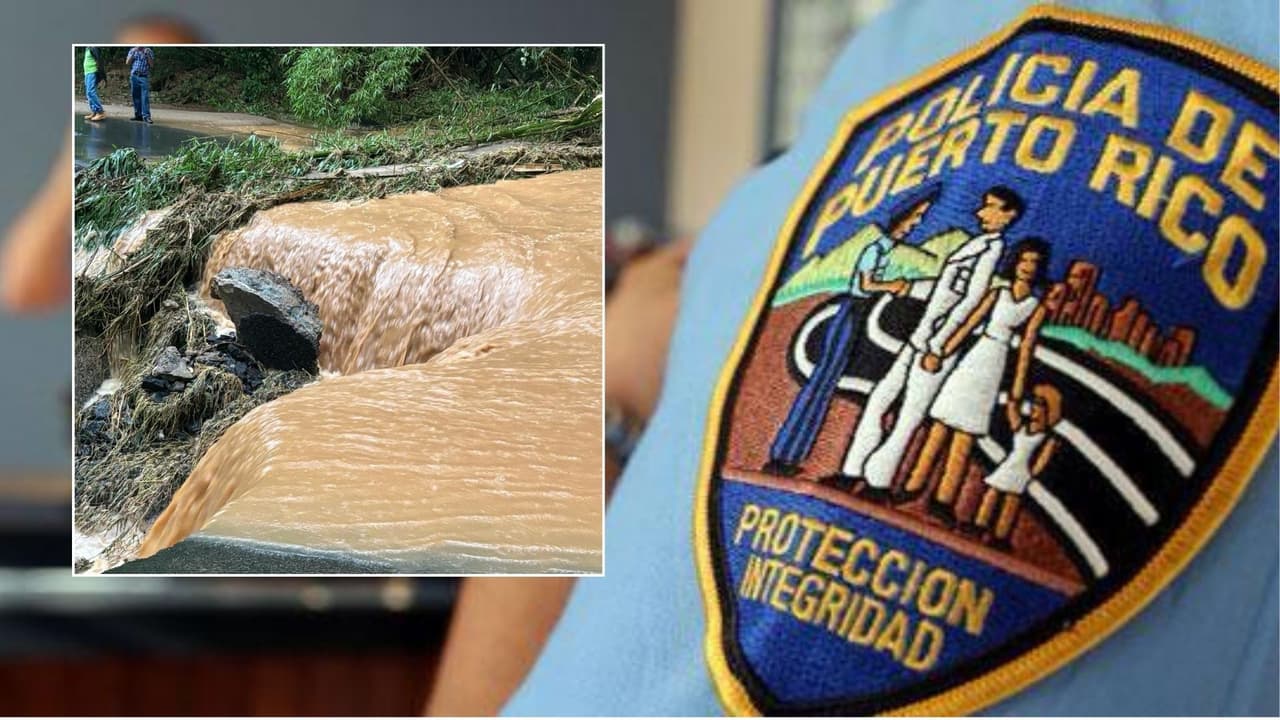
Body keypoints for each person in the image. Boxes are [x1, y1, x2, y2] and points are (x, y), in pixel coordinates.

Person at [839, 187, 1022, 496]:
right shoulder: (976, 243)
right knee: (879, 398)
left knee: (909, 417)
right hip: (920, 336)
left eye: (990, 206)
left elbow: (969, 301)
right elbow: (945, 289)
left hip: (935, 345)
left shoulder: (991, 251)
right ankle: (852, 470)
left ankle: (878, 481)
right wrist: (906, 287)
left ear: (1009, 215)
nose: (980, 212)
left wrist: (939, 346)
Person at [763, 189, 934, 479]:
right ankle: (783, 454)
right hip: (851, 312)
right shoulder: (874, 250)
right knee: (821, 382)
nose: (916, 224)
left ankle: (793, 454)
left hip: (857, 313)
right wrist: (892, 286)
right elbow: (865, 284)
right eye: (915, 217)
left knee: (825, 386)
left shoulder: (885, 251)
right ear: (900, 218)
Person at [907, 237, 1050, 519]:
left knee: (966, 435)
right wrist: (942, 351)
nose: (1028, 266)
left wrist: (1017, 387)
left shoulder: (1036, 307)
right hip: (975, 358)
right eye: (1024, 260)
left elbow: (1026, 349)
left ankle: (944, 499)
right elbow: (969, 323)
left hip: (995, 366)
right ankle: (913, 484)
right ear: (1015, 262)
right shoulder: (997, 293)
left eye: (1034, 262)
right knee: (940, 425)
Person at [975, 383, 1063, 548]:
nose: (1034, 407)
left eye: (1039, 404)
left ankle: (1000, 536)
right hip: (1008, 466)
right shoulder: (1022, 427)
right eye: (1034, 403)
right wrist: (1013, 397)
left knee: (1011, 502)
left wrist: (1031, 473)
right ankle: (978, 525)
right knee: (992, 493)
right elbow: (1012, 411)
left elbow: (1043, 459)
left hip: (1022, 472)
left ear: (1048, 411)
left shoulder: (1048, 438)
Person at [126, 45, 155, 124]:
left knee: (145, 97)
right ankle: (138, 115)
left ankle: (146, 116)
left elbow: (152, 65)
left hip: (144, 77)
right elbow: (127, 62)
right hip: (134, 76)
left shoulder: (149, 51)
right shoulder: (132, 50)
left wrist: (147, 55)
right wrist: (133, 52)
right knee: (135, 96)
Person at [83, 46, 105, 121]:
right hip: (87, 73)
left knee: (91, 92)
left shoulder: (93, 47)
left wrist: (101, 75)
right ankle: (94, 111)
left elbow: (99, 60)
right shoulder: (87, 48)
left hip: (92, 72)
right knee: (88, 93)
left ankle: (100, 112)